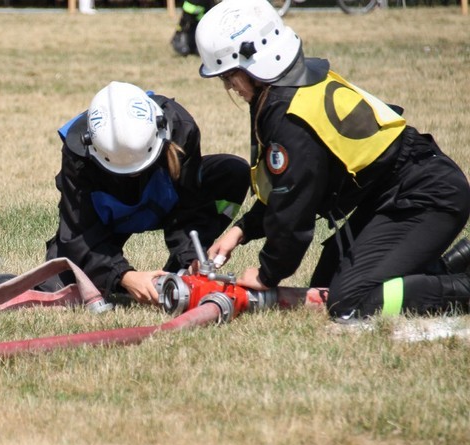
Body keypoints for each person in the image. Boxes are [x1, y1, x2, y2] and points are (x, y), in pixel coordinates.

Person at [194, 0, 470, 319]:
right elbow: (289, 184)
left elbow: (293, 210)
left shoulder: (287, 114)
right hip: (394, 193)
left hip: (427, 196)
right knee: (325, 284)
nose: (229, 86)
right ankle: (449, 266)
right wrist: (240, 230)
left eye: (229, 75)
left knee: (350, 302)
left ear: (250, 64)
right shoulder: (290, 83)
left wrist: (267, 274)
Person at [42, 81, 250, 305]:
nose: (134, 175)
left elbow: (192, 206)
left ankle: (180, 271)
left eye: (141, 167)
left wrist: (189, 257)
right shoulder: (78, 151)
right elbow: (77, 233)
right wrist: (123, 276)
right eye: (123, 171)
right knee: (55, 288)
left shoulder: (180, 127)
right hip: (107, 221)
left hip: (163, 204)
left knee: (232, 172)